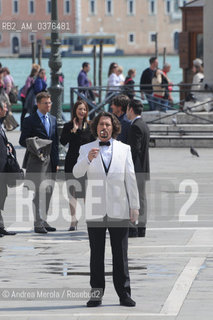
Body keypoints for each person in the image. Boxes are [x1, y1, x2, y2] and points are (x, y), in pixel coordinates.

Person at [73, 111, 139, 307]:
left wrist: (134, 205)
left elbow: (131, 178)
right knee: (96, 254)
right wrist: (88, 160)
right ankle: (96, 294)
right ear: (96, 127)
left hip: (119, 207)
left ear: (113, 127)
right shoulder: (86, 148)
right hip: (96, 208)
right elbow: (77, 172)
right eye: (101, 124)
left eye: (108, 125)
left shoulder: (124, 149)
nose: (104, 128)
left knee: (121, 254)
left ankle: (124, 294)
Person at [19, 92, 58, 234]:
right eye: (46, 103)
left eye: (50, 102)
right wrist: (37, 144)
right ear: (38, 104)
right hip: (36, 160)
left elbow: (56, 141)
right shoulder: (30, 120)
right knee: (38, 192)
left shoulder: (53, 119)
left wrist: (56, 161)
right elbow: (22, 140)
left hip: (51, 161)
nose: (49, 105)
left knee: (48, 191)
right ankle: (37, 222)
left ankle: (44, 219)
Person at [60, 100, 95, 231]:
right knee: (72, 191)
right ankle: (73, 220)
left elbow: (93, 143)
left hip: (86, 162)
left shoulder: (90, 126)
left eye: (84, 109)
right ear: (75, 110)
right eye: (80, 109)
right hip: (71, 161)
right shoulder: (68, 125)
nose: (82, 112)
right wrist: (73, 130)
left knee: (86, 192)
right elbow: (62, 142)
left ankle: (89, 219)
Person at [126, 99, 150, 238]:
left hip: (136, 168)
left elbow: (134, 149)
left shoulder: (135, 126)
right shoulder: (144, 125)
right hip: (144, 167)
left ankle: (133, 227)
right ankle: (141, 226)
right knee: (141, 198)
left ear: (130, 109)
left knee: (133, 198)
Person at [0, 101, 16, 236]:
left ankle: (1, 226)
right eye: (5, 107)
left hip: (3, 168)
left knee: (2, 195)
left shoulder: (1, 124)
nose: (7, 109)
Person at [20, 64, 40, 129]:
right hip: (26, 96)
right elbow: (27, 87)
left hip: (25, 96)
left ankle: (23, 126)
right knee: (25, 111)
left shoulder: (31, 77)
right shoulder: (31, 78)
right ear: (36, 72)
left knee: (25, 111)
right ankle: (23, 126)